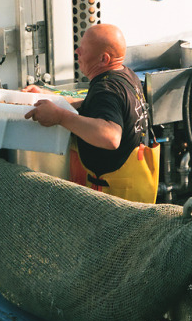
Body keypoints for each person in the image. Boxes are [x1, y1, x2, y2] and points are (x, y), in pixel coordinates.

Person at [24, 23, 159, 203]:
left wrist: (60, 117)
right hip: (138, 187)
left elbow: (110, 137)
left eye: (83, 49)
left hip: (116, 198)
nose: (77, 52)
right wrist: (52, 97)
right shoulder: (125, 75)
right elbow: (94, 106)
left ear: (104, 59)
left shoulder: (106, 89)